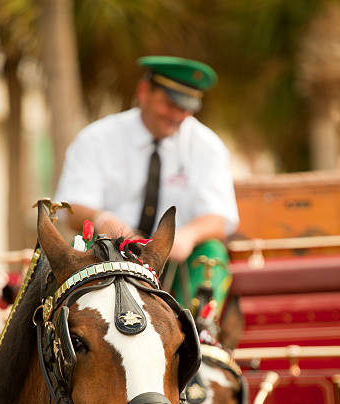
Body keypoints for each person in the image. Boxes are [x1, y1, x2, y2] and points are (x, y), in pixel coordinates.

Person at [54, 55, 239, 313]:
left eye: (186, 108)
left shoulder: (207, 147)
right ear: (143, 92)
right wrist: (104, 220)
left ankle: (198, 340)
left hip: (177, 264)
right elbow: (71, 206)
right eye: (170, 104)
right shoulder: (97, 138)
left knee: (211, 253)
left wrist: (186, 236)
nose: (177, 115)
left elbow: (219, 218)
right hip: (108, 257)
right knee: (82, 243)